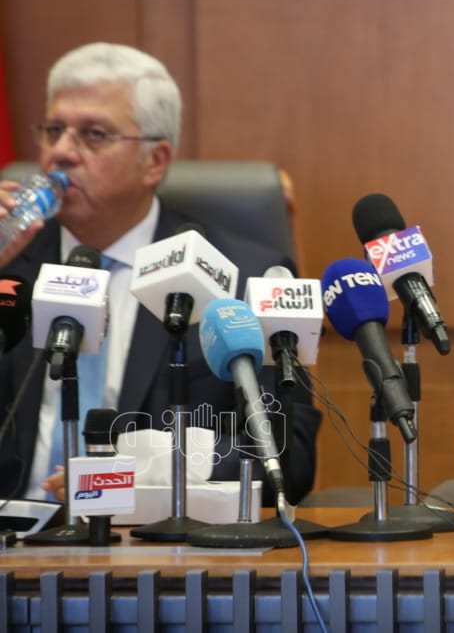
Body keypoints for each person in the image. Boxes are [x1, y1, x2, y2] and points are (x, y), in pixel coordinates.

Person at [0, 43, 320, 504]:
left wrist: (145, 475)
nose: (62, 152)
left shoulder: (244, 279)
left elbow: (289, 459)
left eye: (93, 134)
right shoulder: (10, 268)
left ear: (155, 160)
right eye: (54, 130)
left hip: (151, 536)